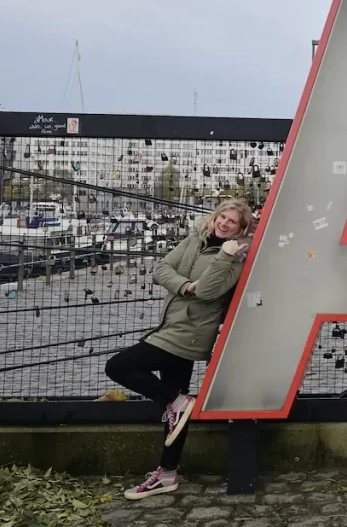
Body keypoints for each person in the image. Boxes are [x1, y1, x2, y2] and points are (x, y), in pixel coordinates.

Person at [105, 198, 254, 500]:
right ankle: (168, 473)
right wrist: (186, 286)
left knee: (119, 366)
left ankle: (177, 403)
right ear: (215, 217)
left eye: (232, 221)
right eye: (222, 217)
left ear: (241, 229)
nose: (224, 223)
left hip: (188, 336)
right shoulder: (194, 239)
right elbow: (160, 269)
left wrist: (225, 255)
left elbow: (210, 291)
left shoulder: (235, 262)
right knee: (175, 411)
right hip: (172, 328)